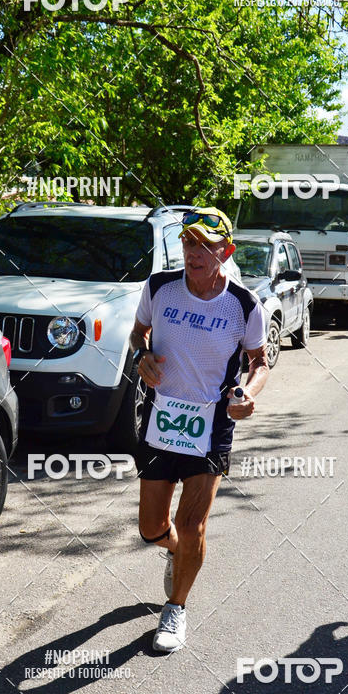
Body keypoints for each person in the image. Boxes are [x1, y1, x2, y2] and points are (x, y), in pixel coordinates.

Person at [130, 207, 268, 653]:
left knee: (192, 525)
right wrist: (141, 357)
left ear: (225, 252)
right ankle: (174, 551)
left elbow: (259, 362)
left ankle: (176, 609)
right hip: (160, 419)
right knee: (152, 528)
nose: (194, 252)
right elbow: (138, 334)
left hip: (211, 428)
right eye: (188, 242)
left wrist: (247, 395)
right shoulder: (158, 287)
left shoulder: (245, 304)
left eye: (206, 245)